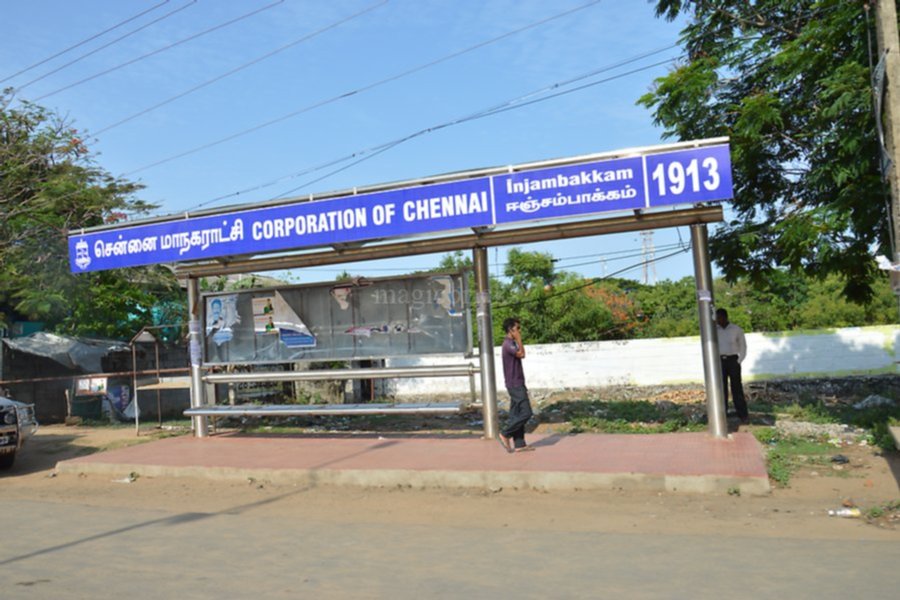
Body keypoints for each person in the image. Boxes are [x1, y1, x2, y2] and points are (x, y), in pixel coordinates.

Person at [498, 317, 534, 453]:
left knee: (516, 414)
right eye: (517, 329)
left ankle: (519, 444)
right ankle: (505, 434)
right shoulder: (508, 344)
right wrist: (519, 338)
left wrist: (517, 338)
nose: (519, 331)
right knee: (526, 412)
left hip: (516, 382)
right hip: (515, 384)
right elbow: (522, 354)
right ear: (510, 330)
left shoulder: (510, 343)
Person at [716, 308, 749, 424]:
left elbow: (743, 347)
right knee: (721, 388)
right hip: (720, 361)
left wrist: (739, 361)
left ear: (725, 317)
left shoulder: (736, 330)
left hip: (733, 360)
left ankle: (743, 414)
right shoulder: (714, 331)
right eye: (716, 318)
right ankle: (722, 414)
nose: (717, 320)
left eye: (719, 317)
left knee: (736, 388)